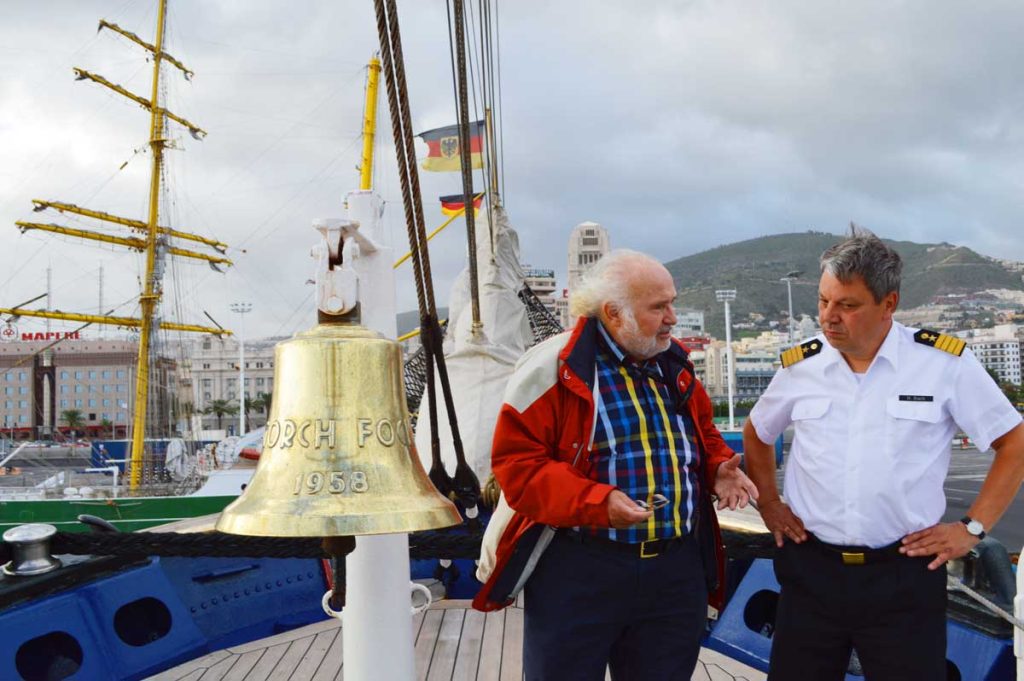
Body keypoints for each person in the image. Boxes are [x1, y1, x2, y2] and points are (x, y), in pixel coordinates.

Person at [743, 228, 1024, 680]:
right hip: (811, 573)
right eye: (823, 301)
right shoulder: (802, 367)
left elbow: (1014, 442)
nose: (829, 318)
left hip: (904, 578)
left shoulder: (942, 364)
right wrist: (770, 503)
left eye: (847, 306)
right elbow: (756, 433)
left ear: (888, 304)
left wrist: (973, 528)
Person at [472, 249, 758, 680]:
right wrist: (598, 503)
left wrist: (717, 466)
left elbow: (702, 432)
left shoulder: (674, 363)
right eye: (659, 307)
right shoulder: (551, 368)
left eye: (672, 302)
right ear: (614, 313)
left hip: (673, 572)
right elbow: (519, 467)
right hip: (580, 570)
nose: (673, 318)